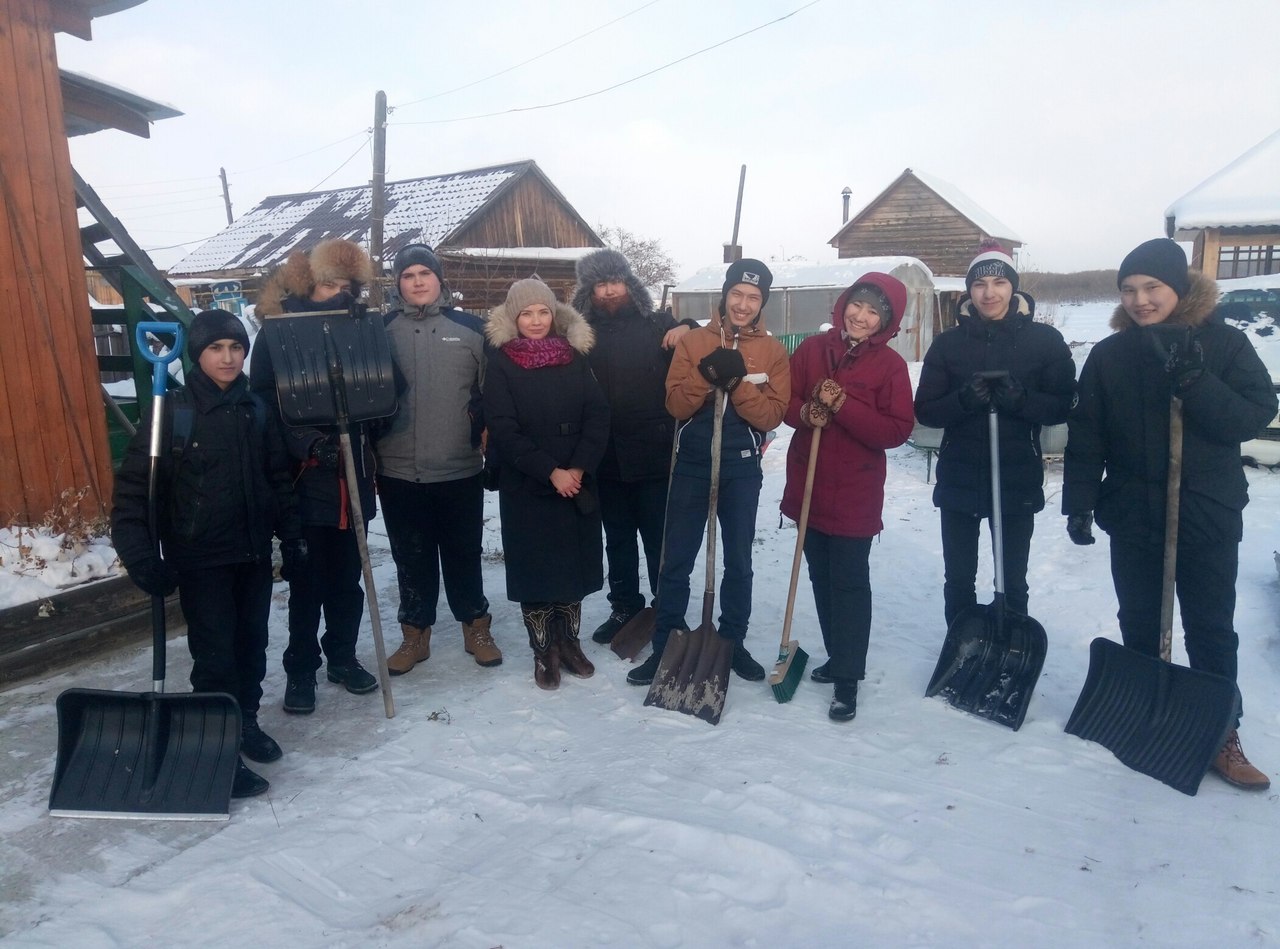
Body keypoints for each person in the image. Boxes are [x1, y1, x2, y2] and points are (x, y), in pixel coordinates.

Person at [1063, 237, 1277, 791]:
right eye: (1129, 290)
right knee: (1139, 621)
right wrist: (1080, 502)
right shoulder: (1111, 355)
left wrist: (1196, 382)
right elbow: (1088, 434)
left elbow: (1253, 417)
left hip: (1206, 509)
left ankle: (1219, 734)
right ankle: (1143, 714)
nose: (1140, 300)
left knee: (1210, 627)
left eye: (1152, 288)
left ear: (1178, 289)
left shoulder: (1223, 344)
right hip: (1133, 511)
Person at [112, 309, 304, 799]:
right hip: (200, 560)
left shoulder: (256, 409)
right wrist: (140, 557)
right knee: (215, 658)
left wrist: (294, 536)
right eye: (217, 348)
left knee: (251, 648)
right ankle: (216, 747)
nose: (228, 357)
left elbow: (278, 478)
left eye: (236, 348)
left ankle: (244, 723)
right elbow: (134, 492)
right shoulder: (171, 411)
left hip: (252, 555)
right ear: (197, 354)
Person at [628, 258, 790, 686]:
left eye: (753, 298)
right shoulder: (694, 341)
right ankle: (665, 643)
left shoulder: (772, 351)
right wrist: (706, 373)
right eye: (736, 293)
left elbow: (773, 414)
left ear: (762, 304)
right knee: (675, 559)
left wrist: (738, 385)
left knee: (738, 559)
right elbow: (676, 405)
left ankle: (732, 641)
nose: (743, 304)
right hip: (692, 466)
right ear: (725, 294)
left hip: (741, 469)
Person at [914, 241, 1075, 627]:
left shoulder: (1043, 341)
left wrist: (1022, 400)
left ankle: (1010, 645)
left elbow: (1063, 404)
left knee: (1012, 579)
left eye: (999, 283)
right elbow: (927, 411)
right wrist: (963, 400)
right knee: (959, 579)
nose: (990, 293)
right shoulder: (948, 344)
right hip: (959, 479)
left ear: (1013, 288)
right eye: (980, 283)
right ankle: (962, 644)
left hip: (1016, 478)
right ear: (969, 290)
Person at [250, 238, 380, 714]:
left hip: (354, 478)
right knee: (307, 582)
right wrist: (307, 445)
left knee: (348, 578)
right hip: (305, 480)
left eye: (346, 286)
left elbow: (382, 392)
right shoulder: (278, 331)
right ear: (310, 283)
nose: (338, 294)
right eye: (329, 284)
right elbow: (266, 401)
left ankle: (341, 657)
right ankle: (300, 669)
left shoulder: (358, 325)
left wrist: (372, 345)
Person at [782, 274, 914, 721]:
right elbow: (786, 398)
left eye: (874, 311)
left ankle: (848, 679)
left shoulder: (890, 367)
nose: (861, 315)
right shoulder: (813, 350)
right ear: (844, 305)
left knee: (850, 583)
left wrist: (843, 407)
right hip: (810, 484)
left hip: (855, 492)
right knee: (820, 575)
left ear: (886, 322)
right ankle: (837, 657)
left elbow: (897, 431)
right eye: (857, 305)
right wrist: (804, 412)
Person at [376, 244, 500, 674]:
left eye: (424, 274)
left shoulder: (470, 329)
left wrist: (482, 433)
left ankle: (476, 626)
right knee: (410, 555)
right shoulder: (381, 330)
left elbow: (492, 392)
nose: (417, 282)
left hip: (458, 465)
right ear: (398, 284)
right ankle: (415, 635)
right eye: (408, 276)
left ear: (439, 279)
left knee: (463, 550)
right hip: (397, 466)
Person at [483, 278, 610, 688]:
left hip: (575, 481)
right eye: (526, 313)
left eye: (543, 312)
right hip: (528, 484)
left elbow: (598, 413)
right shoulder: (502, 362)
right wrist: (550, 470)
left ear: (553, 315)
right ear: (513, 318)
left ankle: (569, 642)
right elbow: (503, 427)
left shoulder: (575, 355)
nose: (536, 321)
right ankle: (544, 650)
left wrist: (578, 467)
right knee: (537, 571)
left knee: (571, 568)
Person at [569, 249, 694, 643]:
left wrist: (689, 326)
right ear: (589, 290)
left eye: (615, 283)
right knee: (618, 538)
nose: (608, 292)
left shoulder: (656, 324)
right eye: (600, 285)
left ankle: (667, 607)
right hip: (604, 457)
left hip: (654, 454)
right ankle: (624, 606)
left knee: (659, 539)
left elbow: (700, 343)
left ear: (630, 284)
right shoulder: (579, 333)